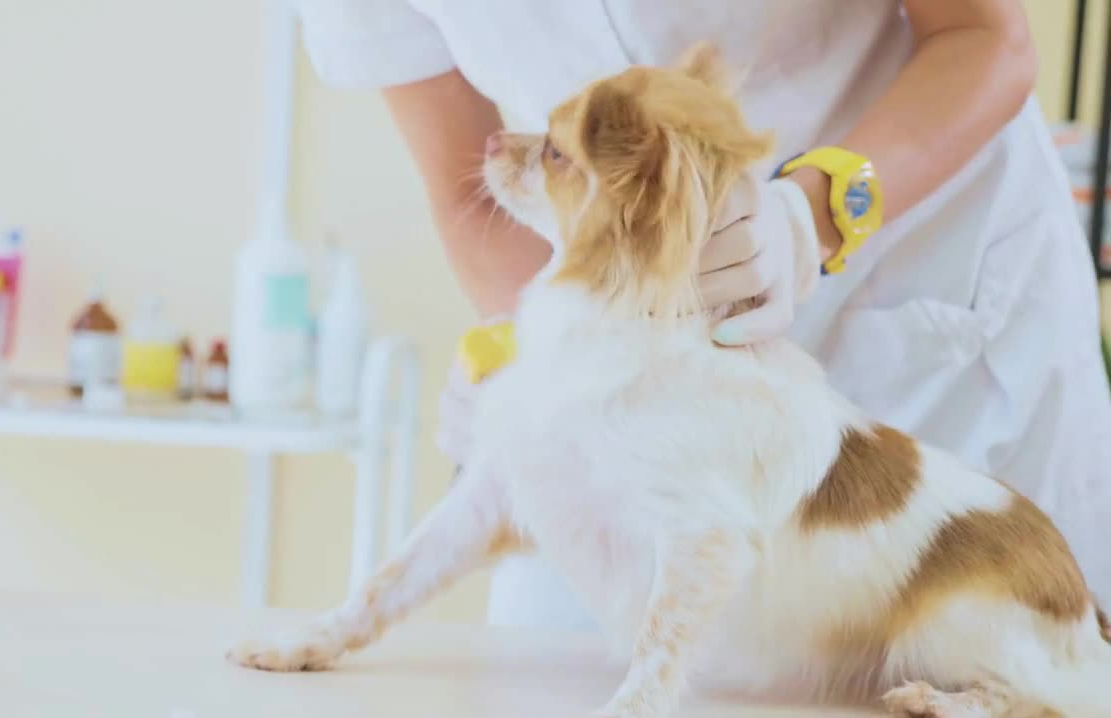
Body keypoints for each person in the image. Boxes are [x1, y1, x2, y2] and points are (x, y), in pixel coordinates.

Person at [294, 0, 1111, 625]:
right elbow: (468, 194)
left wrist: (810, 214)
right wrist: (545, 355)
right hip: (651, 397)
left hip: (927, 312)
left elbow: (984, 38)